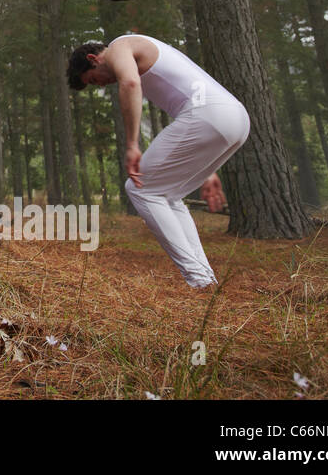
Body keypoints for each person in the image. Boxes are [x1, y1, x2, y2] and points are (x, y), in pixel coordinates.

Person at [68, 34, 250, 288]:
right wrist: (207, 171)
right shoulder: (151, 51)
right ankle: (206, 279)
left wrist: (132, 144)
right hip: (235, 119)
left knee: (140, 189)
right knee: (169, 195)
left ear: (93, 58)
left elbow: (130, 84)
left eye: (94, 79)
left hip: (207, 116)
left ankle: (197, 279)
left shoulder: (120, 46)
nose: (100, 85)